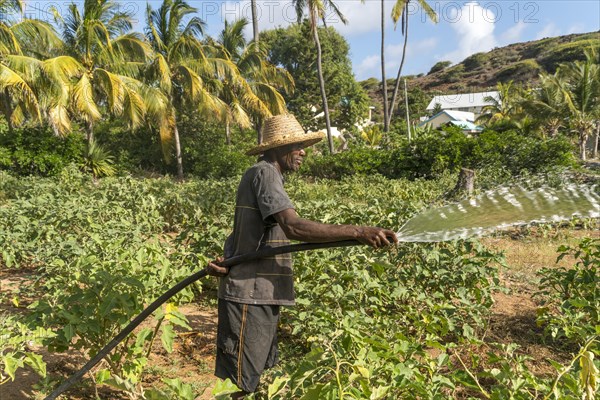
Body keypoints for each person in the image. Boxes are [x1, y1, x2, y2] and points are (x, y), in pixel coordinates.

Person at [205, 114, 397, 397]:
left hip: (260, 291)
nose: (304, 151)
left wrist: (228, 258)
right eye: (298, 145)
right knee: (241, 383)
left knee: (252, 378)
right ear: (278, 149)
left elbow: (242, 230)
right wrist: (357, 230)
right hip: (250, 292)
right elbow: (293, 227)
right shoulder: (264, 172)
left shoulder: (267, 175)